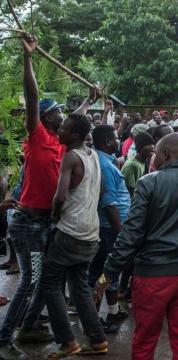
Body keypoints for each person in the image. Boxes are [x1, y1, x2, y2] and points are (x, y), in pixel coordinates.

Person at [0, 35, 99, 360]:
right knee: (32, 279)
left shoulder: (64, 143)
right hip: (29, 221)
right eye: (57, 114)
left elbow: (79, 115)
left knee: (47, 279)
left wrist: (89, 99)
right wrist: (28, 59)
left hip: (50, 222)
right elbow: (33, 98)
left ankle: (28, 325)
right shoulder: (38, 137)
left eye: (64, 116)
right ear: (45, 121)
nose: (63, 117)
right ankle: (4, 336)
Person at [98, 133, 178, 360]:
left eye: (156, 152)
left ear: (165, 154)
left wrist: (107, 273)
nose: (153, 156)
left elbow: (130, 235)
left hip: (152, 276)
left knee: (145, 340)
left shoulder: (149, 182)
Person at [42, 114, 107, 358]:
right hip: (90, 232)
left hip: (70, 231)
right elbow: (99, 190)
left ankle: (67, 341)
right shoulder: (94, 155)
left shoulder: (70, 156)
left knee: (50, 284)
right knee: (79, 287)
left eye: (65, 129)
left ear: (77, 135)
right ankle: (98, 340)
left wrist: (55, 217)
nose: (60, 132)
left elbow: (60, 196)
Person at [88, 125, 131, 334]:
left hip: (110, 228)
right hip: (109, 229)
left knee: (109, 272)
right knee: (102, 273)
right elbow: (109, 203)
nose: (118, 141)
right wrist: (120, 232)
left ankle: (112, 311)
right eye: (115, 138)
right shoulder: (104, 165)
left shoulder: (105, 160)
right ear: (107, 140)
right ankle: (93, 322)